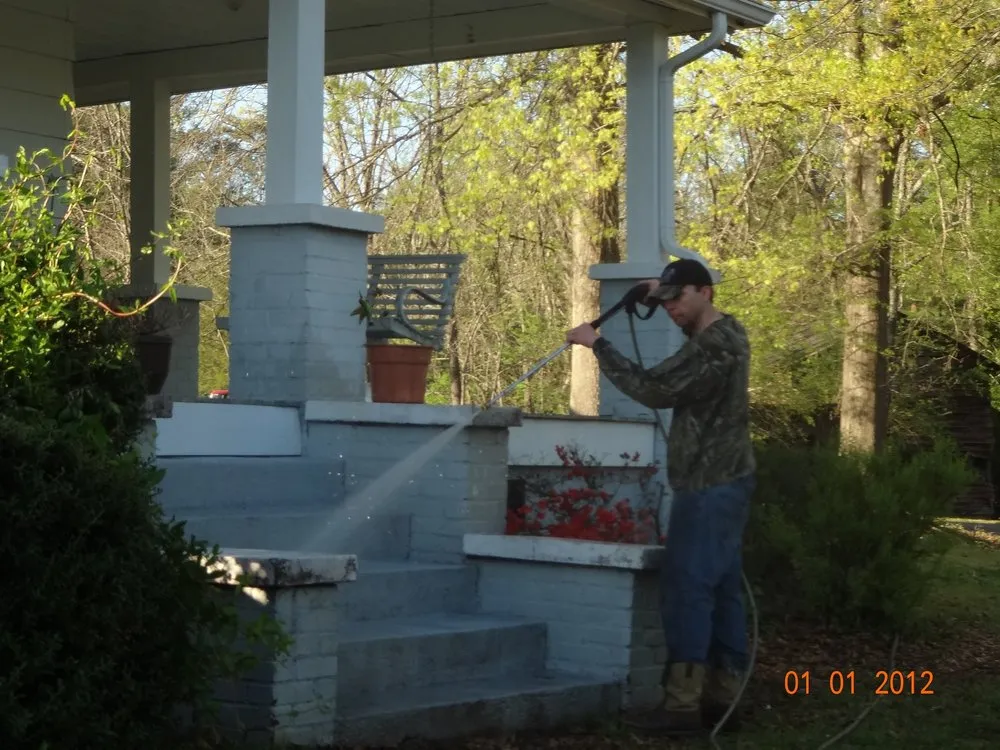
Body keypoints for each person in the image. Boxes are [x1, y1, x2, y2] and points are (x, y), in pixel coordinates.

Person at [565, 257, 756, 736]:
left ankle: (681, 710)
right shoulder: (728, 333)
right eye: (666, 301)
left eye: (678, 299)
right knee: (723, 588)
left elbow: (653, 389)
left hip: (708, 485)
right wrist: (658, 287)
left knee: (688, 589)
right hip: (728, 480)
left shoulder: (710, 348)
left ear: (705, 292)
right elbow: (686, 331)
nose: (670, 309)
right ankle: (724, 703)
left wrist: (597, 345)